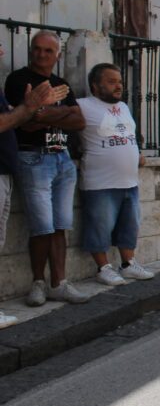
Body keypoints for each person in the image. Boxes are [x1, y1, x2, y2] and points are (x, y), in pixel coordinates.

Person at [5, 31, 89, 306]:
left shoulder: (61, 83)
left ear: (58, 55)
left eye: (47, 51)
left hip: (62, 158)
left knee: (60, 224)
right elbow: (26, 122)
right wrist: (57, 113)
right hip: (34, 157)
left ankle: (59, 283)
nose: (41, 54)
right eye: (36, 49)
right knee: (41, 226)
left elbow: (79, 122)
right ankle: (38, 282)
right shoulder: (18, 80)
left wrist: (48, 113)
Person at [0, 44, 67, 324]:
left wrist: (33, 109)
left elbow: (77, 119)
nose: (2, 50)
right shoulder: (17, 78)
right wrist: (30, 108)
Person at [78, 63, 155, 286]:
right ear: (95, 85)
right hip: (100, 182)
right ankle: (103, 268)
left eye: (119, 81)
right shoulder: (83, 105)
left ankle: (128, 264)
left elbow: (129, 135)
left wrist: (137, 154)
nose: (118, 85)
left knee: (129, 226)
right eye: (111, 82)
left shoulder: (123, 106)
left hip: (129, 181)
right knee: (99, 226)